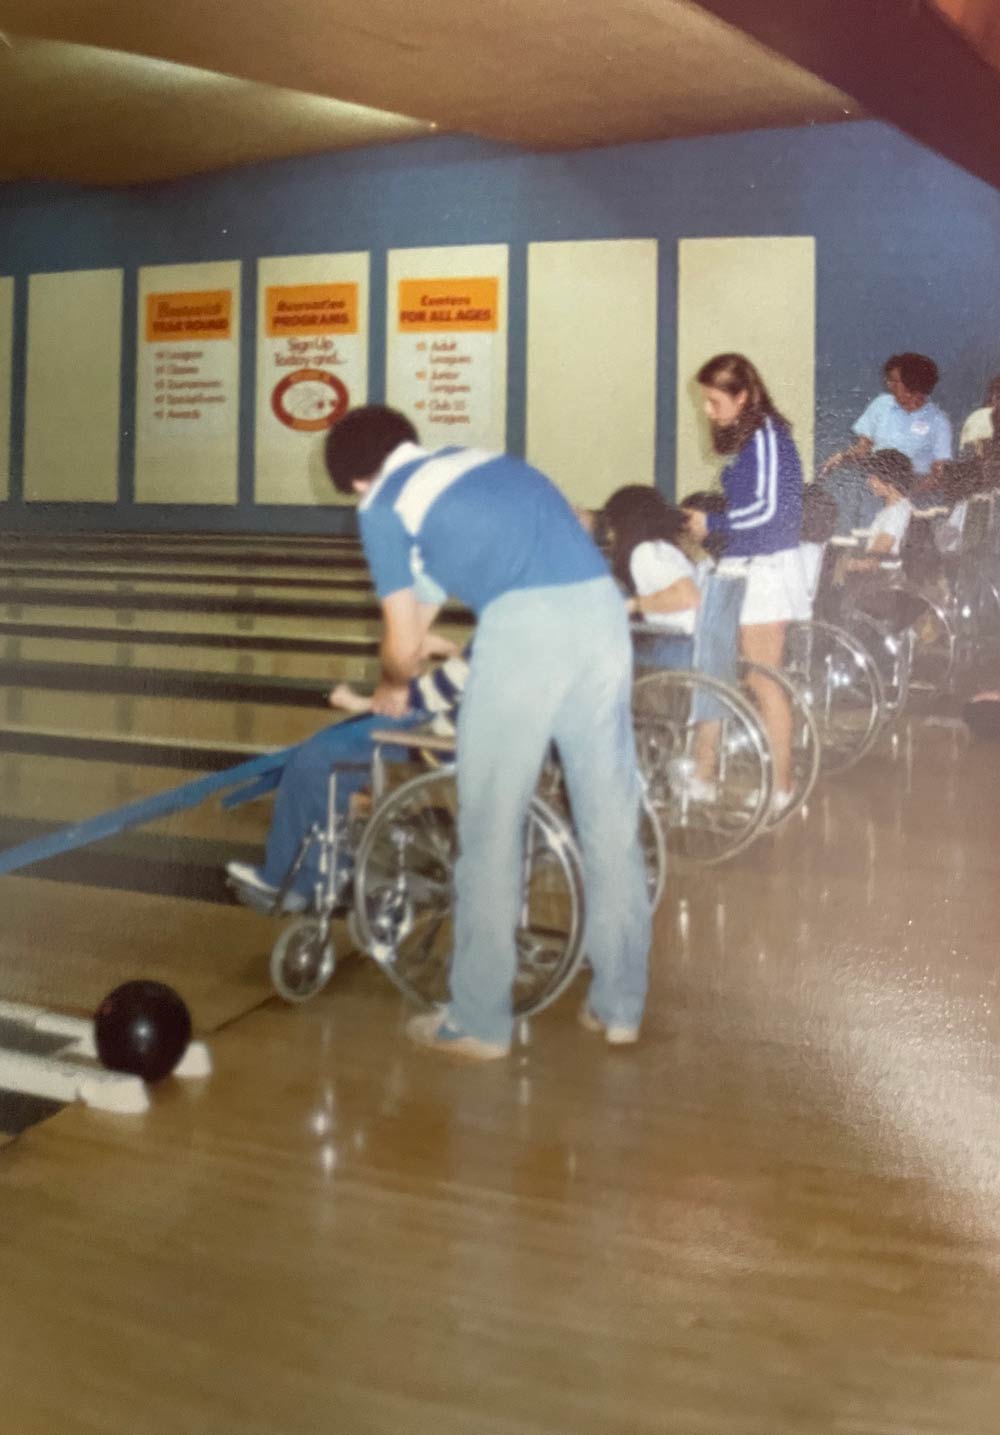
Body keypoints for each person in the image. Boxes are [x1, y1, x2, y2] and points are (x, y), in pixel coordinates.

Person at [323, 405, 651, 1059]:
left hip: (527, 632)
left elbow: (401, 638)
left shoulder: (380, 505)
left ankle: (478, 1020)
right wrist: (416, 650)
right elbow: (426, 605)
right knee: (609, 814)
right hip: (603, 617)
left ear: (357, 479)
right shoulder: (480, 464)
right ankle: (620, 1006)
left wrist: (392, 681)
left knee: (492, 824)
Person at [226, 632, 469, 912]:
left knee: (317, 758)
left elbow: (440, 689)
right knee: (327, 748)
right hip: (460, 732)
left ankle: (296, 881)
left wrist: (364, 702)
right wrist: (452, 650)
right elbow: (468, 673)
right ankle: (321, 868)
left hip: (436, 742)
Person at [682, 353, 806, 816]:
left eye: (715, 402)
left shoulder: (771, 438)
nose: (709, 413)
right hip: (740, 567)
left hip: (766, 571)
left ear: (745, 396)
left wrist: (711, 520)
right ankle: (703, 774)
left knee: (762, 679)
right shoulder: (753, 441)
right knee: (713, 671)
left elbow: (771, 513)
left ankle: (782, 785)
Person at [819, 353, 952, 528]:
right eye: (889, 380)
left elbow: (939, 473)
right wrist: (843, 457)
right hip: (877, 485)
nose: (889, 386)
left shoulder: (938, 421)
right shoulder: (881, 405)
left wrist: (905, 491)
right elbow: (863, 448)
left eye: (895, 382)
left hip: (917, 491)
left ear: (914, 386)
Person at [601, 485, 700, 669]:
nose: (609, 534)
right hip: (693, 643)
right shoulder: (664, 549)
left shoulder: (646, 552)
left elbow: (688, 597)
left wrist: (634, 605)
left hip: (676, 645)